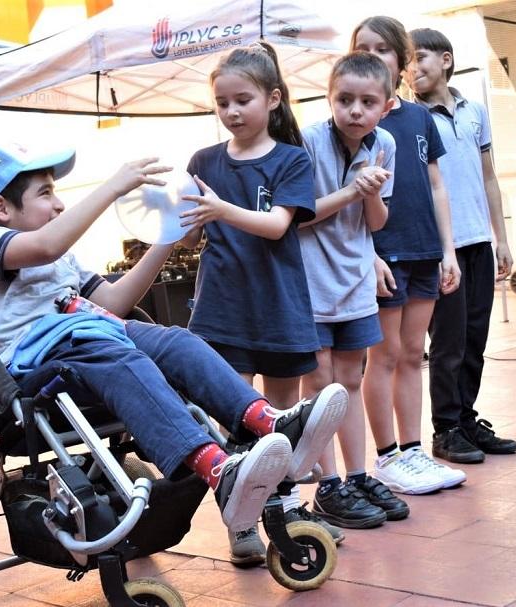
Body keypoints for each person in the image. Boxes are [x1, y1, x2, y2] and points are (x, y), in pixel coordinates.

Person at [0, 142, 348, 553]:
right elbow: (47, 246)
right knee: (120, 356)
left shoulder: (60, 258)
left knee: (175, 341)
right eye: (46, 193)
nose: (59, 204)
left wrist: (168, 235)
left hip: (94, 338)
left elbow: (113, 302)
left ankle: (272, 424)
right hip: (38, 367)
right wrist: (112, 188)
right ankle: (219, 471)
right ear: (0, 206)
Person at [177, 42, 343, 563]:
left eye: (242, 100)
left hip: (279, 310)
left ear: (272, 99)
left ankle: (288, 511)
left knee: (284, 420)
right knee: (235, 422)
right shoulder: (202, 161)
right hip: (221, 312)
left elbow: (276, 226)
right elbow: (186, 238)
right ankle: (242, 526)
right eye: (222, 102)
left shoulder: (293, 160)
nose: (231, 112)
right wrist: (181, 222)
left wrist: (221, 209)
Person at [350, 16, 466, 501]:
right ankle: (387, 455)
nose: (374, 55)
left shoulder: (420, 119)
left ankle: (414, 449)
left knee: (413, 354)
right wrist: (368, 255)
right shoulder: (357, 119)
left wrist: (448, 251)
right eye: (363, 48)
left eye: (383, 49)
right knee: (386, 354)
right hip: (384, 253)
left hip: (424, 250)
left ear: (401, 59)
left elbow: (436, 185)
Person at [296, 51, 406, 530]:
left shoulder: (386, 145)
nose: (356, 111)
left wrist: (372, 192)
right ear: (329, 98)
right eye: (345, 100)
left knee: (350, 380)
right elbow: (298, 215)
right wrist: (351, 190)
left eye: (367, 102)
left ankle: (358, 476)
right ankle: (326, 482)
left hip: (356, 279)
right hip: (312, 279)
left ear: (386, 105)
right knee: (318, 382)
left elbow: (377, 222)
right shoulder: (308, 141)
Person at [408, 28, 516, 464]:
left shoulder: (474, 112)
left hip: (479, 242)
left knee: (475, 340)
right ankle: (446, 428)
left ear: (446, 60)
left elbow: (488, 177)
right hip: (442, 249)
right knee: (448, 344)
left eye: (420, 58)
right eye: (408, 63)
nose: (413, 69)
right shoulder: (411, 119)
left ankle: (468, 420)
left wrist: (502, 238)